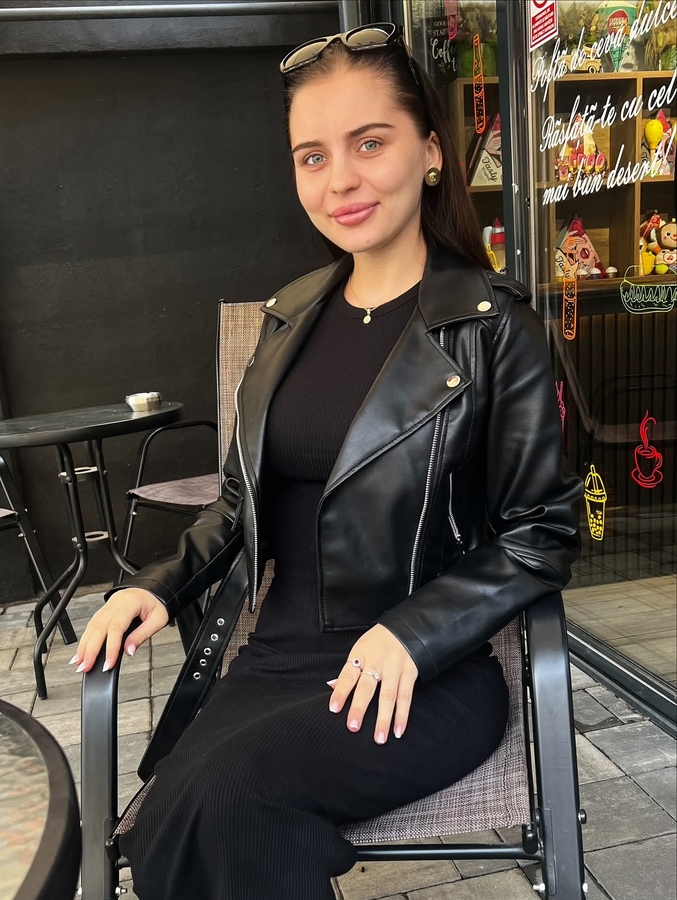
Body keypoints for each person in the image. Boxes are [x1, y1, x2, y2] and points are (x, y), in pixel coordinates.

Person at [71, 23, 583, 900]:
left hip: (424, 670)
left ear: (430, 151)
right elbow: (236, 504)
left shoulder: (495, 328)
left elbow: (542, 533)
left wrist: (413, 632)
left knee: (225, 806)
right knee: (165, 826)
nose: (338, 179)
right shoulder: (287, 319)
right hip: (277, 660)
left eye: (368, 143)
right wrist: (157, 584)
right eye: (312, 156)